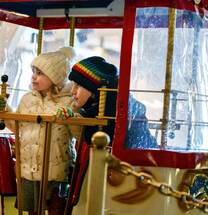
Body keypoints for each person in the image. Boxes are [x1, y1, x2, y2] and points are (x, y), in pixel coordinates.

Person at [56, 56, 158, 210]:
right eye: (72, 85)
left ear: (94, 88)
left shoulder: (103, 114)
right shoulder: (103, 108)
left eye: (79, 85)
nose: (72, 91)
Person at [0, 46, 81, 215]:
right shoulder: (27, 99)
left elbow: (79, 134)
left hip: (57, 171)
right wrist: (6, 112)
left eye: (40, 73)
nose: (33, 75)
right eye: (33, 71)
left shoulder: (68, 102)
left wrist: (72, 117)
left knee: (57, 210)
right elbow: (16, 125)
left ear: (55, 77)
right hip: (29, 169)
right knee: (32, 210)